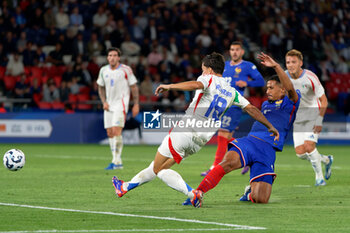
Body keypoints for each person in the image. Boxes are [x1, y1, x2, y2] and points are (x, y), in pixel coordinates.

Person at [111, 52, 279, 206]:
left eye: (203, 69)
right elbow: (251, 109)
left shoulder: (208, 79)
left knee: (159, 169)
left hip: (185, 130)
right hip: (200, 140)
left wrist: (170, 86)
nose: (203, 72)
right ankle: (125, 187)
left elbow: (196, 84)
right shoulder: (232, 92)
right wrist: (270, 126)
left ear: (210, 70)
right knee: (158, 165)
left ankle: (193, 194)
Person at [189, 52, 300, 206]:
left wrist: (276, 66)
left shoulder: (291, 103)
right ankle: (198, 193)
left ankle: (249, 193)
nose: (267, 91)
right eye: (267, 87)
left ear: (282, 91)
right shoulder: (266, 104)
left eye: (271, 88)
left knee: (261, 199)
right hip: (251, 143)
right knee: (227, 163)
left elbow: (290, 90)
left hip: (268, 151)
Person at [200, 41, 265, 176]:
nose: (234, 52)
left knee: (222, 134)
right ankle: (250, 157)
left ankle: (214, 167)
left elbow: (261, 81)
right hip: (220, 105)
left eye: (237, 50)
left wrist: (247, 83)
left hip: (234, 105)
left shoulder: (248, 66)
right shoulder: (225, 67)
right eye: (232, 49)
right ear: (229, 52)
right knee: (227, 137)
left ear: (242, 52)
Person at [285, 49, 333, 186]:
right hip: (298, 118)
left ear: (301, 63)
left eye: (293, 62)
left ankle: (320, 178)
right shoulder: (284, 77)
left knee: (309, 146)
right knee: (300, 153)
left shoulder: (310, 77)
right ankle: (326, 160)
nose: (290, 65)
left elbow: (324, 100)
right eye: (288, 62)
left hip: (313, 113)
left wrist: (319, 120)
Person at [97, 47, 140, 170]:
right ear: (107, 57)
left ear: (119, 58)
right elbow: (100, 87)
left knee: (116, 131)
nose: (112, 57)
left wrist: (136, 104)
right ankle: (116, 160)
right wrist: (104, 101)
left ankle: (116, 162)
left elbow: (134, 87)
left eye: (115, 55)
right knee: (110, 133)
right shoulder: (103, 70)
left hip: (121, 105)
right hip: (108, 105)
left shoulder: (126, 70)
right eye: (110, 55)